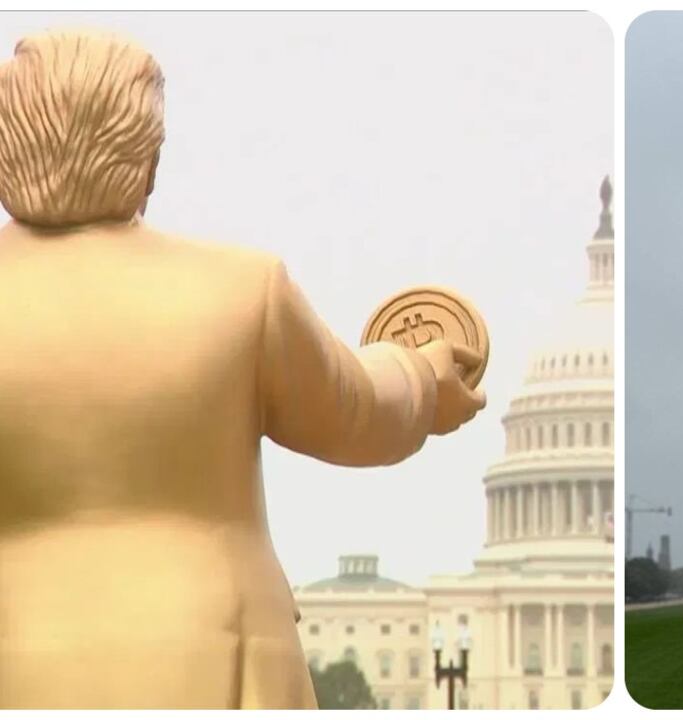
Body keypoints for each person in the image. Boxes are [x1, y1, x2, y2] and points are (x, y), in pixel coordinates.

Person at [0, 30, 485, 708]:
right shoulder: (239, 290)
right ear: (147, 159)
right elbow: (357, 412)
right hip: (216, 653)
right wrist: (425, 376)